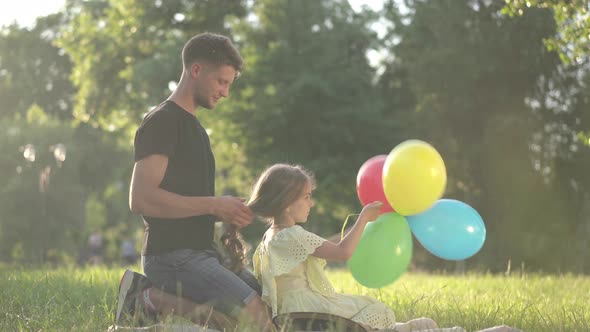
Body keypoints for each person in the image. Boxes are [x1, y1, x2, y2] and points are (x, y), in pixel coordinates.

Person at [239, 163, 519, 332]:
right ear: (288, 202)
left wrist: (360, 229)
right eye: (307, 197)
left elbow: (329, 244)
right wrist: (362, 219)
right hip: (311, 313)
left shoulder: (273, 237)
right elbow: (342, 253)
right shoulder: (291, 236)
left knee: (395, 327)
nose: (311, 203)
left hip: (299, 313)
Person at [122, 32, 273, 331]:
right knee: (256, 317)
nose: (225, 92)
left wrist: (226, 213)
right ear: (196, 70)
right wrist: (215, 205)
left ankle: (156, 300)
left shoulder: (198, 130)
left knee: (265, 301)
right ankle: (150, 297)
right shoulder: (163, 121)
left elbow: (193, 203)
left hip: (203, 252)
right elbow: (140, 199)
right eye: (221, 82)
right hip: (170, 256)